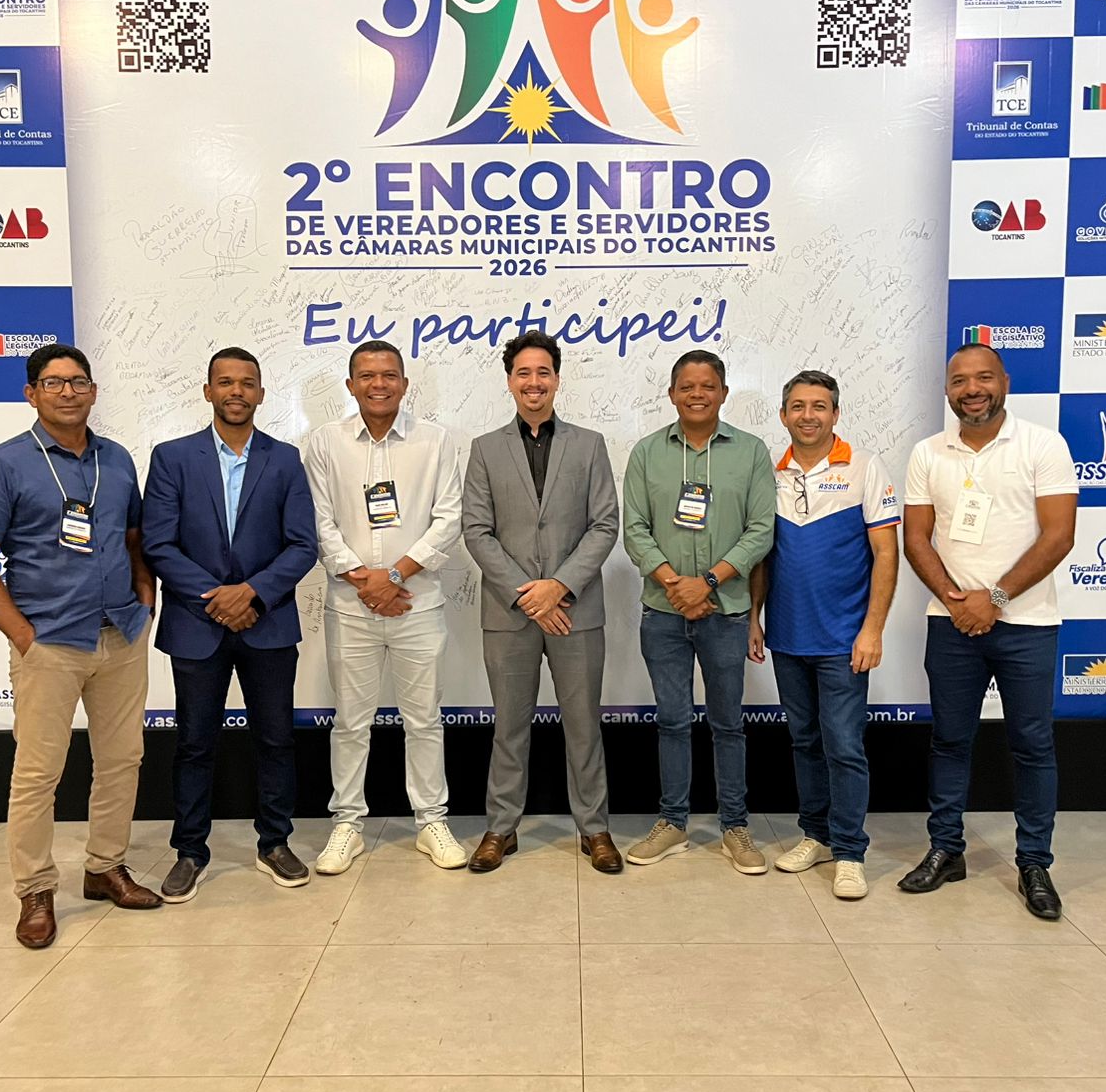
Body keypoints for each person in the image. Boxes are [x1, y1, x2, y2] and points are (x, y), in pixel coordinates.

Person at [0, 344, 161, 950]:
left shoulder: (116, 459)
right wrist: (23, 635)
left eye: (78, 382)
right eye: (53, 382)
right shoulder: (4, 464)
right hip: (49, 641)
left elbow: (132, 538)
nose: (67, 392)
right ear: (31, 393)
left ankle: (105, 868)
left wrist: (144, 597)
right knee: (38, 773)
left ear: (94, 391)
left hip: (120, 634)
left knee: (122, 760)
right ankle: (36, 889)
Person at [900, 343, 1077, 919]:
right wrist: (958, 602)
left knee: (1032, 744)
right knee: (950, 740)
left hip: (1027, 624)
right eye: (959, 381)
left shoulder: (1043, 445)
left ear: (1004, 381)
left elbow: (1059, 535)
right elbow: (916, 538)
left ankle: (1035, 864)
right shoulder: (928, 452)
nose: (971, 389)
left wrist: (994, 600)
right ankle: (946, 850)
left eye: (983, 378)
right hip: (951, 623)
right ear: (946, 390)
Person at [141, 347, 319, 901]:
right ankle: (190, 851)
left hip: (268, 622)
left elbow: (302, 545)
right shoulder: (172, 457)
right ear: (208, 391)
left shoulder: (285, 459)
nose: (236, 391)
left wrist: (253, 594)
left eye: (247, 383)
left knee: (276, 740)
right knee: (194, 743)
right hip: (197, 625)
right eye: (225, 382)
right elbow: (158, 543)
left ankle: (275, 843)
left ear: (261, 393)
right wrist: (217, 599)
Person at [462, 331, 623, 873]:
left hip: (576, 609)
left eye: (543, 372)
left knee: (584, 725)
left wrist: (559, 586)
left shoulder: (589, 444)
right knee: (509, 727)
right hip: (510, 613)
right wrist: (530, 595)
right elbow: (477, 530)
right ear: (510, 381)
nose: (534, 382)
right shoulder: (485, 448)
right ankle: (501, 828)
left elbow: (605, 525)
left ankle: (595, 828)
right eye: (524, 373)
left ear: (557, 378)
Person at [305, 339, 467, 872]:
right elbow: (319, 521)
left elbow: (449, 519)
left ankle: (431, 822)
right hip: (350, 608)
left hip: (417, 604)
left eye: (389, 375)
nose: (379, 384)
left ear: (404, 383)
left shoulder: (436, 441)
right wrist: (365, 581)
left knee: (425, 721)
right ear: (351, 385)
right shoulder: (325, 442)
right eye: (368, 376)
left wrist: (394, 577)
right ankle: (347, 824)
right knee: (351, 723)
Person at [622, 349, 776, 873]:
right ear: (671, 394)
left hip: (726, 611)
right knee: (671, 721)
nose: (696, 394)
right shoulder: (647, 452)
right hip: (662, 613)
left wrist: (707, 582)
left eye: (707, 386)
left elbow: (761, 530)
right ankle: (673, 823)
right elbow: (634, 528)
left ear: (723, 393)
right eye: (686, 386)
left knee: (728, 724)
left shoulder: (751, 452)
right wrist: (675, 584)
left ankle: (735, 827)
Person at [749, 370, 899, 900]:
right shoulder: (770, 473)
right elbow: (762, 556)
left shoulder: (865, 467)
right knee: (805, 742)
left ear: (836, 414)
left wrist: (872, 629)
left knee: (844, 746)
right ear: (783, 415)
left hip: (844, 640)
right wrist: (754, 617)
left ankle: (850, 851)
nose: (807, 415)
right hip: (788, 637)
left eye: (818, 406)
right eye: (797, 406)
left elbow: (886, 554)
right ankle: (815, 835)